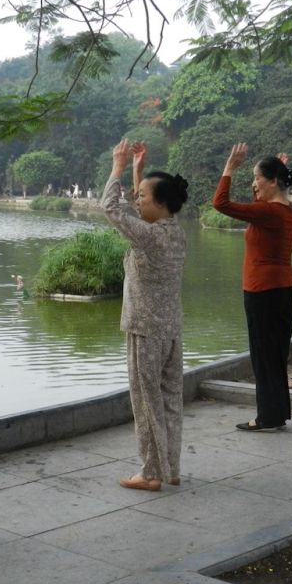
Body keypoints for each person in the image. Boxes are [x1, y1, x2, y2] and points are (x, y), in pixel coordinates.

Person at [101, 139, 188, 491]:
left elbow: (111, 209)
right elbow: (139, 213)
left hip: (145, 329)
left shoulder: (149, 238)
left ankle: (151, 472)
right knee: (169, 400)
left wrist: (117, 167)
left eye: (143, 197)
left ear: (161, 203)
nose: (138, 201)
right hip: (170, 330)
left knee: (146, 401)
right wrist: (140, 171)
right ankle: (171, 468)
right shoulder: (175, 233)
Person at [212, 143, 292, 432]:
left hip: (263, 291)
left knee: (263, 355)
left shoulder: (269, 213)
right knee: (275, 355)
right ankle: (276, 413)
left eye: (257, 178)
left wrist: (229, 169)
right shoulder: (284, 210)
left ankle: (266, 418)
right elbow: (260, 204)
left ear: (273, 181)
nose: (253, 184)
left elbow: (220, 204)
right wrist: (275, 174)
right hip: (283, 289)